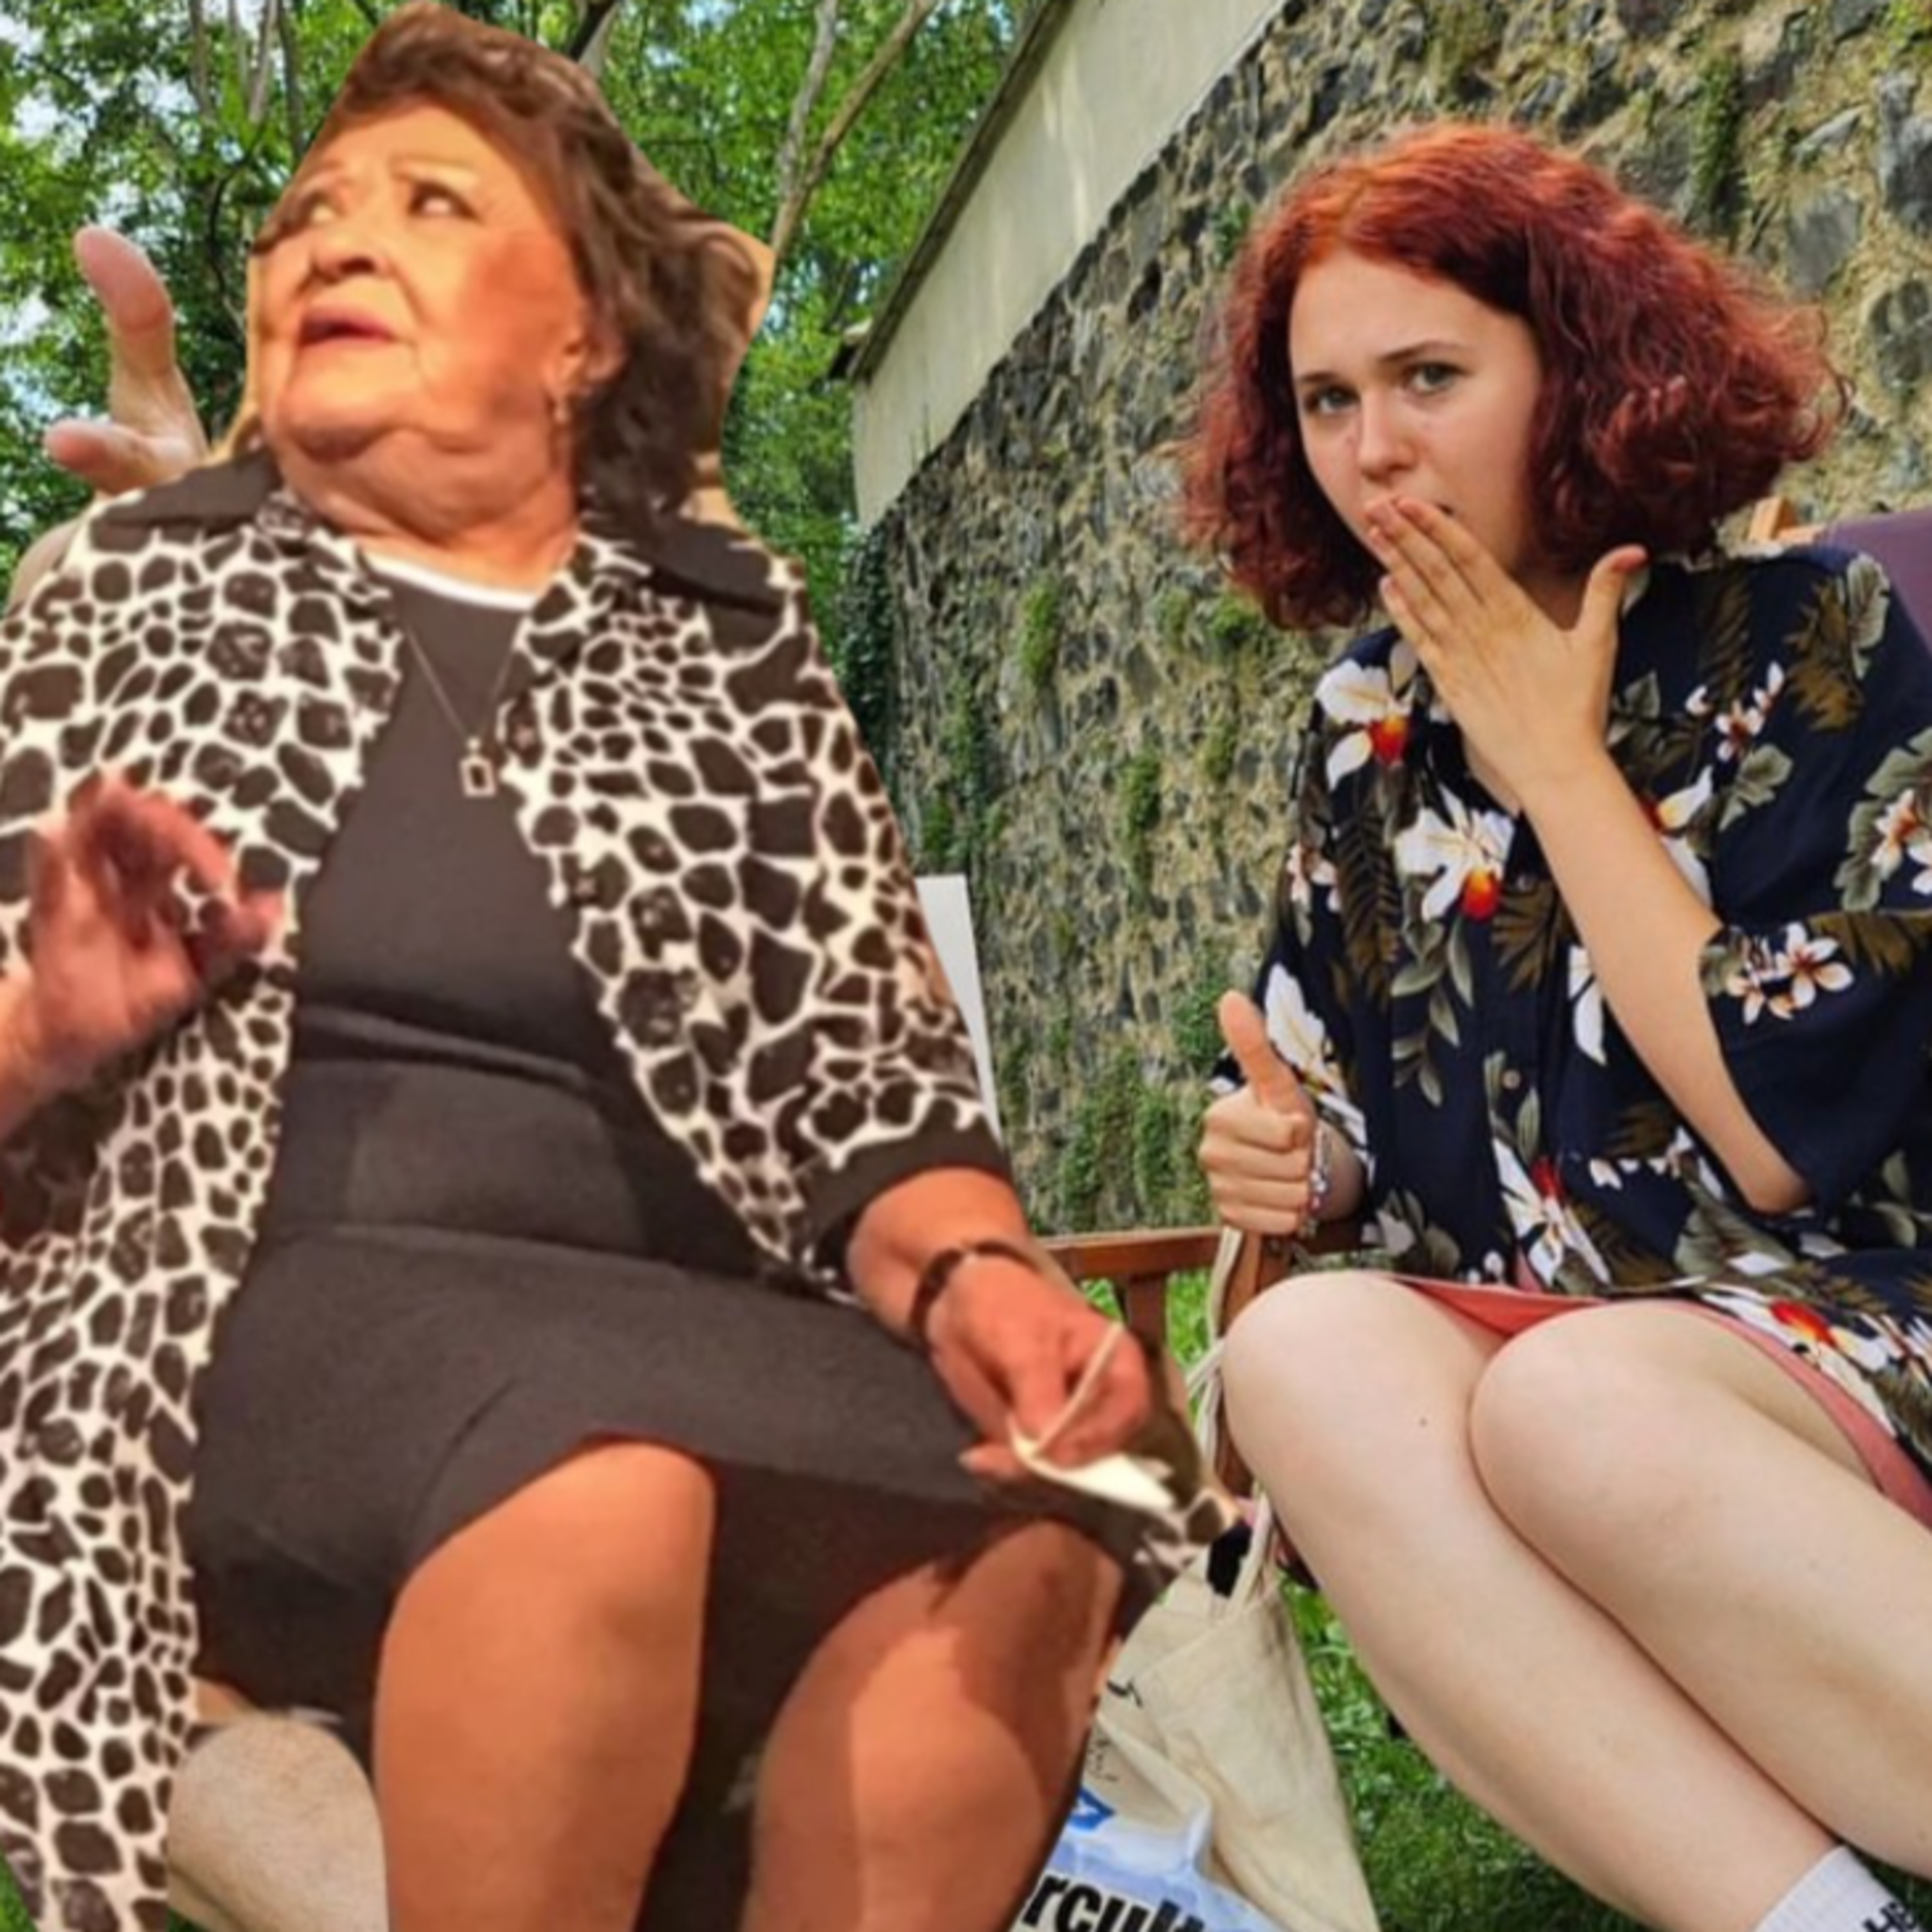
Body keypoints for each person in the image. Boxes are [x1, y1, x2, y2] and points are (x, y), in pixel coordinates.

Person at [0, 9, 1186, 1931]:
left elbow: (873, 1089)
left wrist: (971, 1267)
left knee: (1063, 1501)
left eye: (439, 211)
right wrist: (50, 1020)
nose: (347, 251)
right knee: (597, 1484)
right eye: (323, 216)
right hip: (272, 1299)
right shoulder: (132, 599)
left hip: (673, 1306)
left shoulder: (719, 649)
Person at [1182, 122, 1932, 1932]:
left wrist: (1555, 766)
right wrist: (1296, 1155)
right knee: (1296, 1355)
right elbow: (1334, 1090)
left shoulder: (1807, 636)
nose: (1374, 450)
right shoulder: (1363, 723)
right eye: (1328, 400)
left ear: (1578, 372)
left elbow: (1781, 1135)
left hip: (1853, 1325)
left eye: (1429, 378)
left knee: (1577, 1403)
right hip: (1564, 1347)